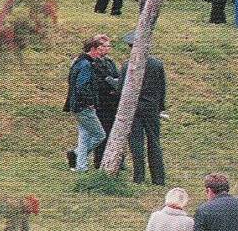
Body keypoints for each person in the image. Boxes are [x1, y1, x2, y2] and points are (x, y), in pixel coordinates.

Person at [122, 30, 167, 186]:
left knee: (136, 143)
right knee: (154, 141)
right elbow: (162, 88)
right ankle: (158, 178)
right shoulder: (157, 64)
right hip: (151, 107)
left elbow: (122, 87)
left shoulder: (128, 65)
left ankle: (139, 177)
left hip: (134, 108)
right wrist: (160, 107)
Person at [64, 36, 109, 173]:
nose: (101, 53)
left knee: (84, 137)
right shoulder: (86, 65)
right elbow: (81, 86)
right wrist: (89, 102)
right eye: (99, 49)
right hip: (83, 107)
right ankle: (77, 154)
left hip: (76, 105)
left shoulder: (78, 61)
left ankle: (81, 166)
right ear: (93, 49)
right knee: (99, 135)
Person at [90, 33, 121, 167]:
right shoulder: (93, 62)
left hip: (112, 102)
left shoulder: (109, 62)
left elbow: (117, 77)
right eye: (106, 46)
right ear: (98, 47)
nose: (108, 49)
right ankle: (99, 160)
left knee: (112, 132)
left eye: (109, 46)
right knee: (102, 132)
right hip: (101, 102)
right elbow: (97, 82)